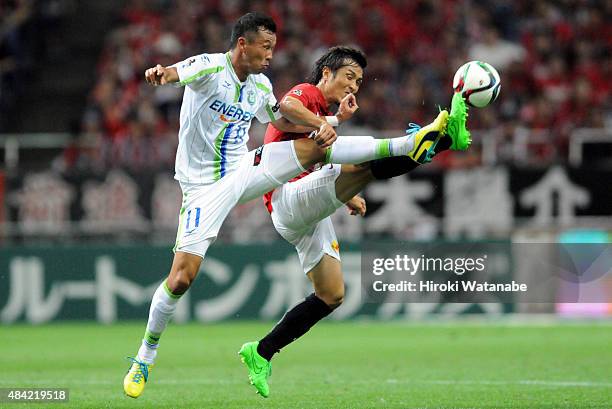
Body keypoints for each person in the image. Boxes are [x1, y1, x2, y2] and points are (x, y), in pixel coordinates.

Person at [123, 13, 457, 399]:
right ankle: (144, 356)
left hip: (245, 168)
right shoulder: (210, 66)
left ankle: (408, 143)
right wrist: (160, 73)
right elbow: (176, 72)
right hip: (201, 189)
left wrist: (330, 120)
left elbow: (281, 117)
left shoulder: (260, 85)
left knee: (318, 142)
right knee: (181, 278)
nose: (270, 55)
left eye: (274, 48)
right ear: (243, 44)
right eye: (265, 47)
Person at [238, 46, 470, 398]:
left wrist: (346, 190)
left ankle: (261, 352)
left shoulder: (326, 114)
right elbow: (285, 107)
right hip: (287, 200)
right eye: (349, 77)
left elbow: (316, 158)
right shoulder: (310, 92)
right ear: (327, 73)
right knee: (358, 166)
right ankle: (431, 141)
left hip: (302, 213)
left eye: (359, 82)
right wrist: (327, 128)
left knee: (331, 295)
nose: (354, 87)